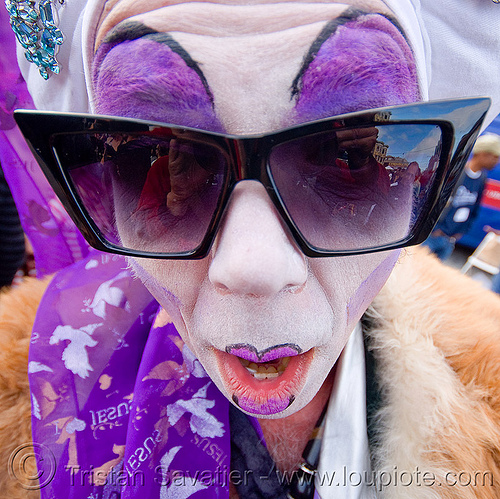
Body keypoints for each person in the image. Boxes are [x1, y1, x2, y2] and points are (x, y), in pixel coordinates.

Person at [2, 1, 500, 499]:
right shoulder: (28, 382)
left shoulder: (488, 390)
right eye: (156, 151)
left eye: (348, 156)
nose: (252, 267)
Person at [423, 133, 500, 260]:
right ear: (483, 153)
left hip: (449, 241)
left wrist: (462, 231)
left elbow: (474, 209)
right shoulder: (456, 172)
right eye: (495, 157)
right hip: (433, 237)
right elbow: (432, 200)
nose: (496, 162)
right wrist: (435, 228)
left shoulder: (482, 178)